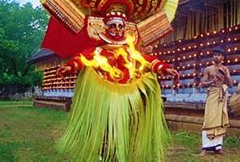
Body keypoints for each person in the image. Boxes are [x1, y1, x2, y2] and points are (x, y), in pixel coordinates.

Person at [56, 8, 179, 161]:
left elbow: (148, 60)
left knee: (124, 128)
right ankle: (104, 154)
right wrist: (69, 67)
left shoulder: (130, 51)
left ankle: (119, 155)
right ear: (106, 28)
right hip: (103, 97)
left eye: (120, 26)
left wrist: (164, 68)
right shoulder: (97, 51)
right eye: (113, 26)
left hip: (126, 97)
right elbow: (81, 59)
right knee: (105, 129)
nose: (117, 29)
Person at [198, 48, 233, 156]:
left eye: (219, 55)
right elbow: (202, 83)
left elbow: (230, 84)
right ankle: (205, 147)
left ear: (223, 57)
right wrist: (212, 81)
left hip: (221, 95)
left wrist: (225, 75)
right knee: (209, 118)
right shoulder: (208, 69)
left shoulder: (226, 69)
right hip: (212, 94)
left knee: (219, 119)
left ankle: (218, 147)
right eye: (215, 55)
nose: (216, 57)